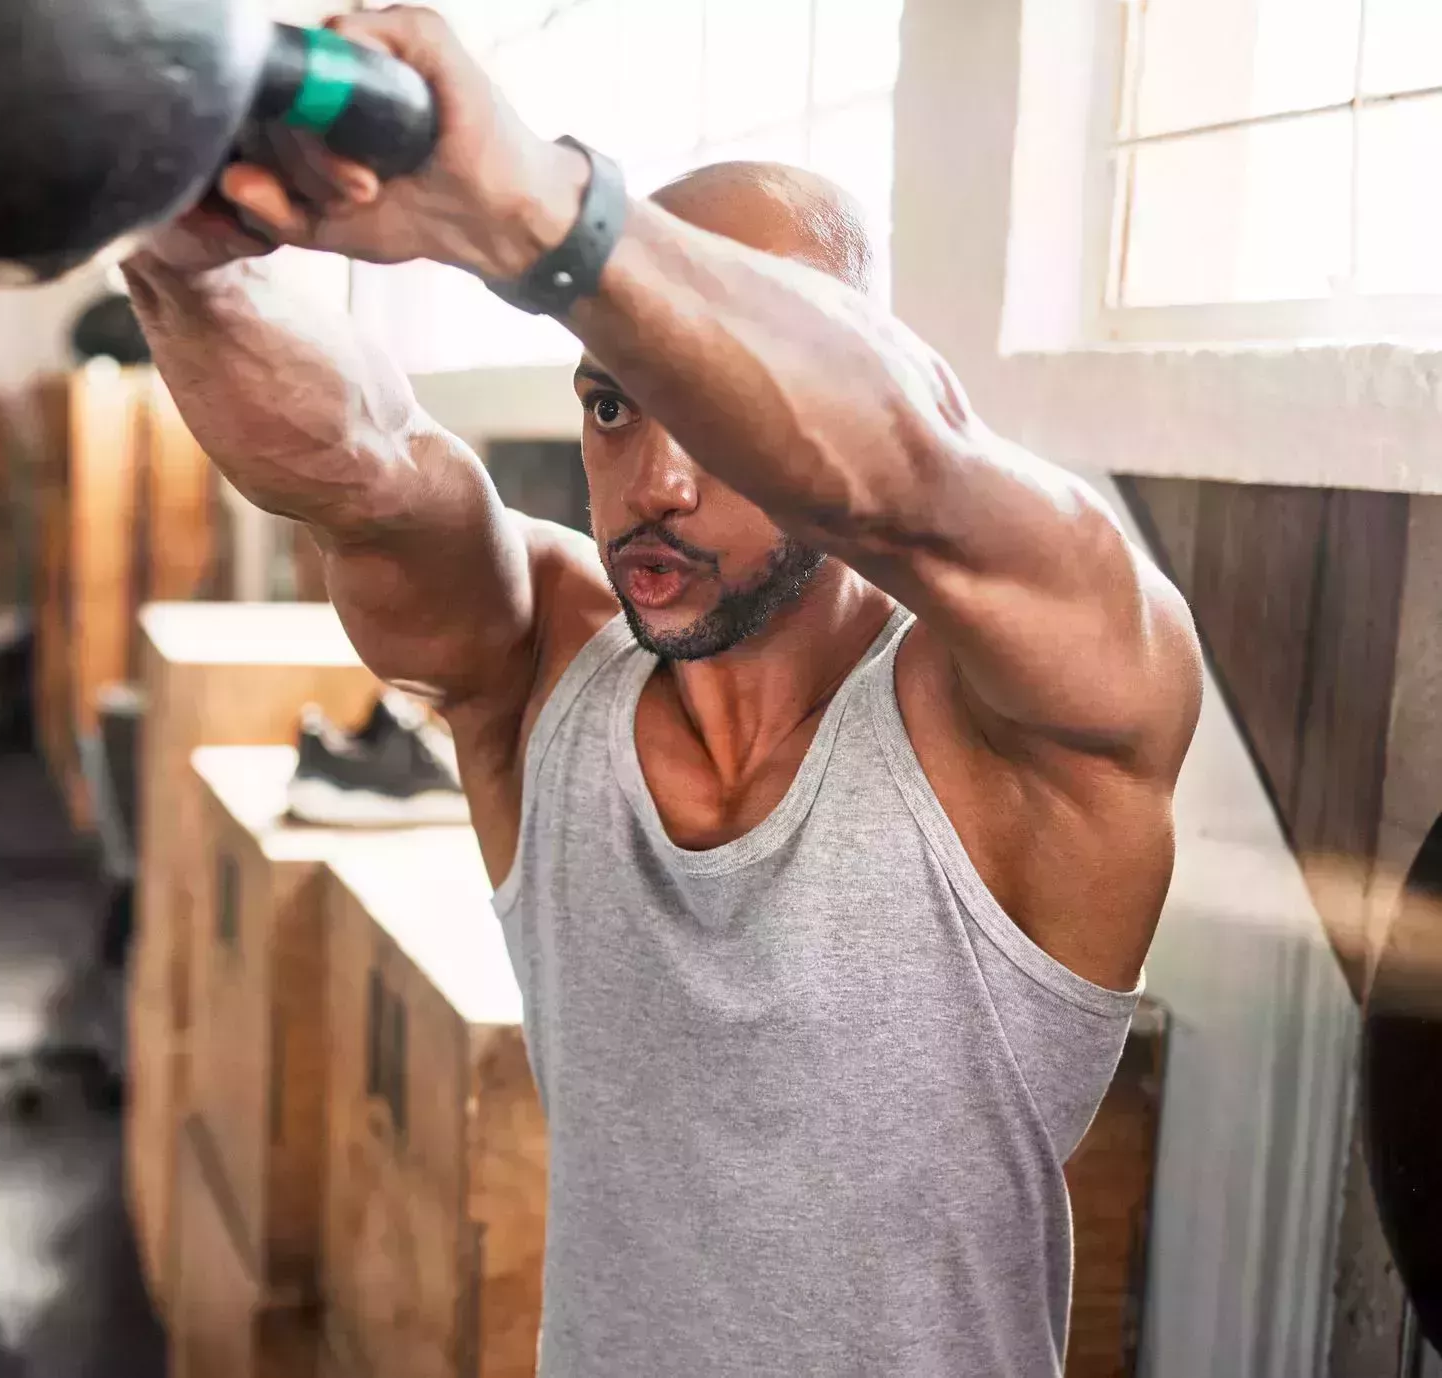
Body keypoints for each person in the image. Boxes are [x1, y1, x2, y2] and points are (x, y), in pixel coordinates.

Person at [123, 9, 1203, 1374]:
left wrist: (532, 211)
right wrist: (175, 243)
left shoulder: (1016, 724)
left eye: (715, 419)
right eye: (614, 407)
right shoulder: (543, 679)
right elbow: (369, 465)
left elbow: (910, 469)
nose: (659, 482)